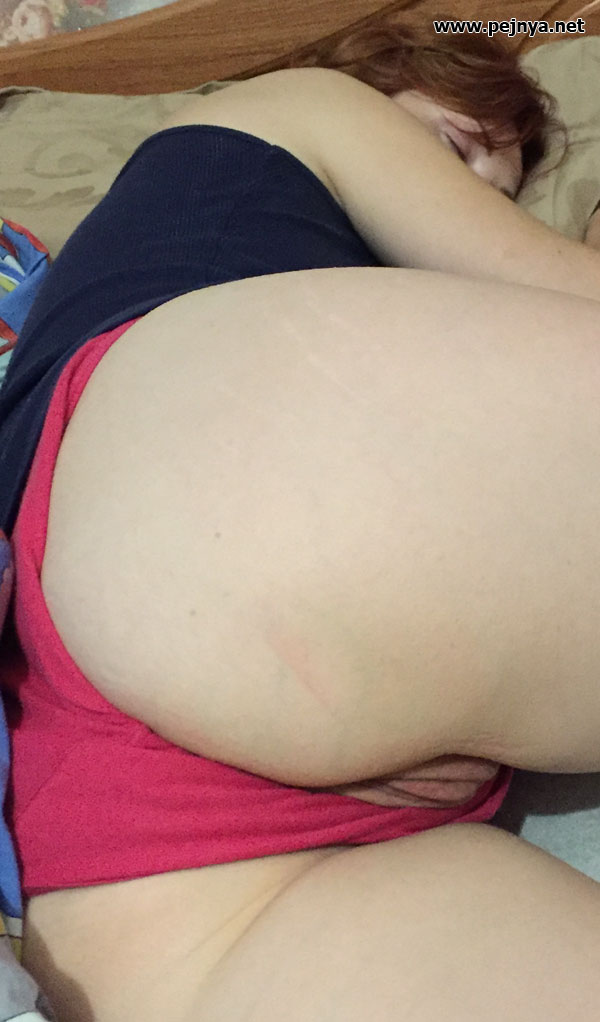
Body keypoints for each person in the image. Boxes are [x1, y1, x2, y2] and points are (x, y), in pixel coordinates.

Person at [1, 16, 600, 1021]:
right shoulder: (304, 103)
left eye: (504, 184)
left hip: (87, 792)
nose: (482, 186)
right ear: (381, 74)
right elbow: (557, 286)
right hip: (205, 460)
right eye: (459, 144)